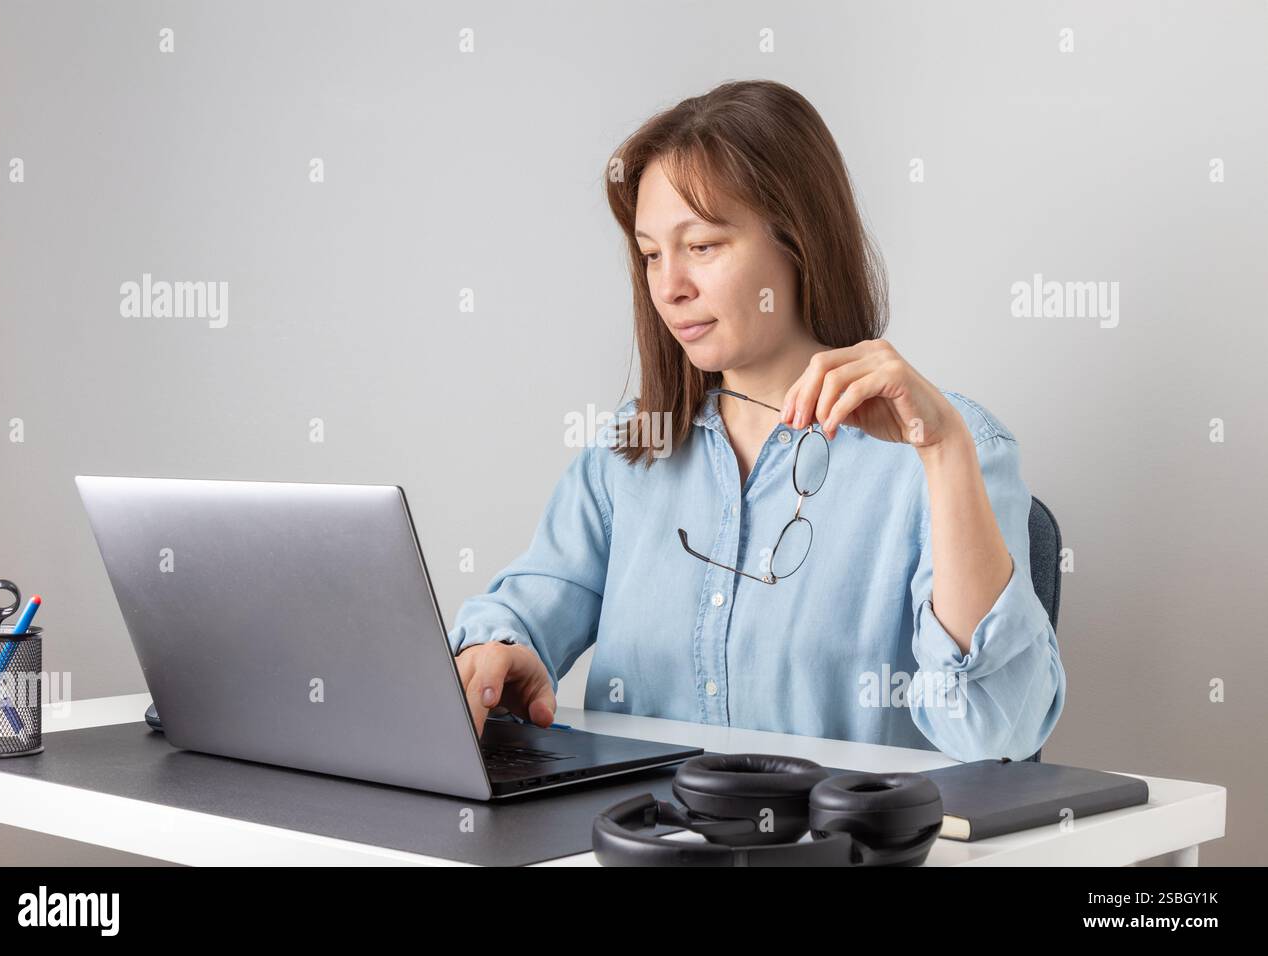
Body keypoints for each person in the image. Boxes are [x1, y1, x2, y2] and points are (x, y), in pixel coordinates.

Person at [447, 79, 1065, 763]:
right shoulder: (631, 450)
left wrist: (943, 451)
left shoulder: (953, 449)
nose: (669, 286)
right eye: (652, 254)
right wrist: (498, 650)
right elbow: (531, 601)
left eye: (703, 245)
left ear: (798, 241)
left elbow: (996, 734)